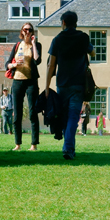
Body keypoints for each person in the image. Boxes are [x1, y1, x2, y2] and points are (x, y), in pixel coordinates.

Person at [44, 11, 95, 160]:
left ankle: (68, 148)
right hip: (79, 83)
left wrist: (47, 87)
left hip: (62, 84)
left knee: (66, 117)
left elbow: (51, 65)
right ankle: (68, 148)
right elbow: (93, 53)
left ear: (64, 23)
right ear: (75, 22)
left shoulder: (57, 40)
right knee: (73, 116)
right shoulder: (83, 37)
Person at [6, 22, 42, 151]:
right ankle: (18, 144)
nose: (27, 32)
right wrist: (14, 65)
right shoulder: (17, 45)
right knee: (17, 114)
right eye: (25, 29)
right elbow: (8, 64)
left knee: (33, 113)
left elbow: (37, 60)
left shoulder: (36, 45)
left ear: (32, 32)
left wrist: (33, 44)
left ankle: (34, 144)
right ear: (22, 31)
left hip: (31, 81)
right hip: (17, 81)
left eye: (30, 29)